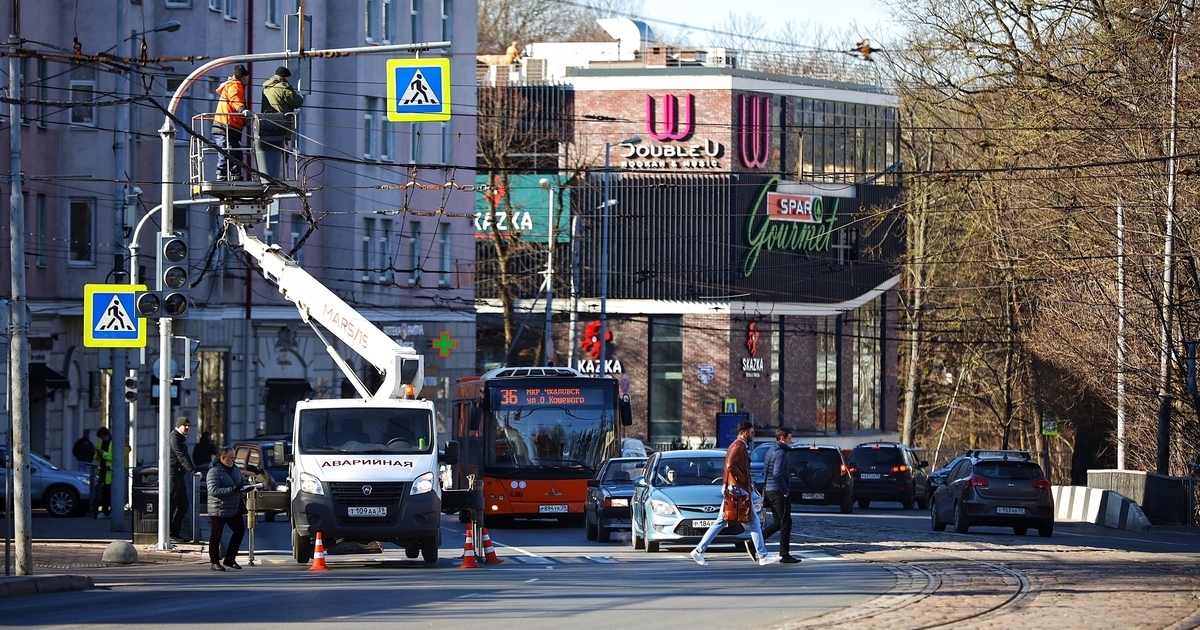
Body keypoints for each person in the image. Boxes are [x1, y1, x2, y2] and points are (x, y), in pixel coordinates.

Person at [690, 421, 780, 567]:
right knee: (753, 521)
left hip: (734, 488)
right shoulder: (738, 446)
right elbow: (730, 465)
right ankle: (763, 555)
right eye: (751, 433)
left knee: (723, 520)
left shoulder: (737, 445)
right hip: (738, 489)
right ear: (745, 433)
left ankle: (699, 550)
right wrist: (743, 479)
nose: (753, 435)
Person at [761, 427, 800, 563]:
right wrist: (785, 490)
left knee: (778, 523)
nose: (791, 441)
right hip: (778, 492)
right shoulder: (781, 453)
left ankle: (755, 542)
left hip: (770, 490)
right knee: (786, 522)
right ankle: (784, 554)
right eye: (789, 438)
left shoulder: (771, 450)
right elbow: (777, 474)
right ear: (782, 438)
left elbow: (766, 471)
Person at [206, 446, 249, 571]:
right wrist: (232, 489)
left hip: (233, 508)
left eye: (233, 458)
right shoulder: (214, 471)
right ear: (223, 457)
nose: (232, 460)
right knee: (216, 535)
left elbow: (241, 482)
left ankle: (230, 558)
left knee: (239, 530)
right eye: (230, 458)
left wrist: (247, 487)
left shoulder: (235, 469)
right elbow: (213, 490)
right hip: (218, 508)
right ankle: (214, 561)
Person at [213, 64, 251, 181]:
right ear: (244, 77)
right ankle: (222, 174)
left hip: (231, 126)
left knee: (235, 153)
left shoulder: (233, 86)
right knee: (226, 151)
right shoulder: (235, 86)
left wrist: (244, 120)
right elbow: (235, 99)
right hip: (226, 125)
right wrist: (242, 110)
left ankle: (235, 175)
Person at [169, 416, 197, 544]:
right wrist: (193, 471)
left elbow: (186, 456)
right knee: (172, 504)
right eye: (185, 425)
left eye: (188, 425)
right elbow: (181, 456)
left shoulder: (182, 438)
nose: (187, 427)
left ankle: (175, 532)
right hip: (173, 474)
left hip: (180, 475)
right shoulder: (175, 437)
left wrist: (193, 469)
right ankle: (169, 533)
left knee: (183, 505)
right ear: (179, 425)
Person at [92, 427, 113, 519]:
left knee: (110, 493)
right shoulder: (100, 444)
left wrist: (104, 454)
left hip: (111, 472)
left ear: (107, 435)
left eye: (102, 437)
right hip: (103, 471)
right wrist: (98, 454)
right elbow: (96, 458)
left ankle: (111, 511)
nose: (102, 439)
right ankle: (105, 512)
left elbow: (115, 457)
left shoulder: (113, 443)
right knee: (104, 494)